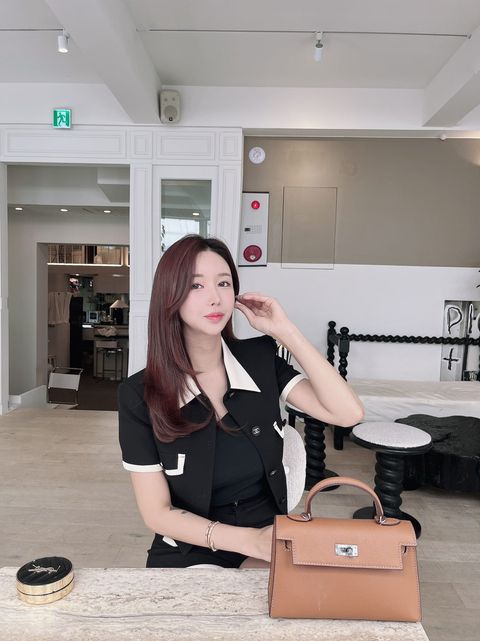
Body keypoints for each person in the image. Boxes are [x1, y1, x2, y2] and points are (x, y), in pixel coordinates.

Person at [118, 234, 363, 568]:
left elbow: (348, 413)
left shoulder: (259, 360)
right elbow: (157, 513)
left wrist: (285, 331)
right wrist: (249, 541)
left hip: (267, 535)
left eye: (224, 283)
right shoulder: (139, 394)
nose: (215, 298)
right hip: (189, 543)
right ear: (170, 296)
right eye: (196, 285)